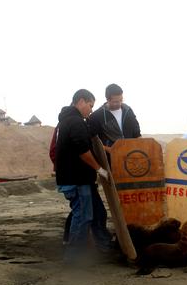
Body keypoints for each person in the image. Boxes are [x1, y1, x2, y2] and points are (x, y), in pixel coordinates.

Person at [55, 89, 114, 263]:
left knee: (96, 212)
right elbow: (82, 150)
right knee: (83, 216)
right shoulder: (74, 121)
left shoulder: (68, 120)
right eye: (90, 105)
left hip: (78, 179)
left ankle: (104, 245)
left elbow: (89, 141)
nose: (90, 109)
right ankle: (73, 257)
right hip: (77, 179)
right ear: (81, 101)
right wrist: (99, 169)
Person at [88, 83, 141, 152]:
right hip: (110, 157)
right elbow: (92, 141)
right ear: (107, 99)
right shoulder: (96, 116)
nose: (119, 103)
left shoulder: (128, 110)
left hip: (130, 153)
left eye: (121, 100)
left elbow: (137, 133)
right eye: (115, 102)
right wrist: (109, 150)